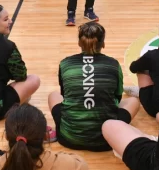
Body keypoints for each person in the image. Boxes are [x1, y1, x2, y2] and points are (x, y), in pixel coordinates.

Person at [49, 22, 139, 151]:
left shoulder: (65, 63)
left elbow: (64, 95)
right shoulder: (113, 64)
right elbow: (117, 98)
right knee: (133, 101)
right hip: (106, 139)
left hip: (69, 138)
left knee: (53, 95)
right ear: (103, 44)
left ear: (80, 43)